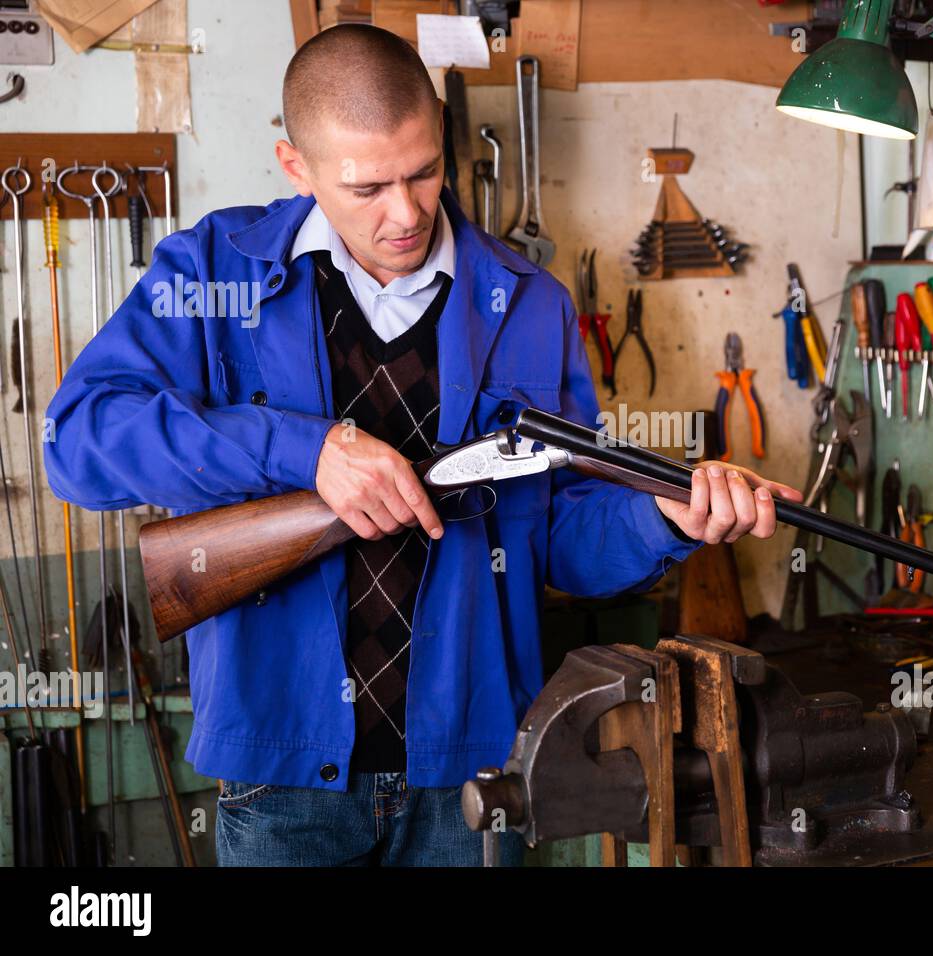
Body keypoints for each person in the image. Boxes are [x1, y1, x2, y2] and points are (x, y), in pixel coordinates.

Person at [44, 23, 799, 866]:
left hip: (473, 777)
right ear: (295, 166)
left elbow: (556, 539)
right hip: (281, 784)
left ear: (440, 133)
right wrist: (305, 453)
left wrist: (665, 519)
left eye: (424, 173)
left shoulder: (533, 305)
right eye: (367, 187)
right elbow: (77, 442)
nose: (404, 214)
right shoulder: (211, 273)